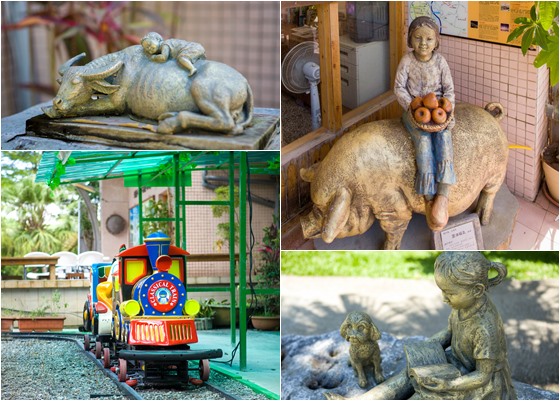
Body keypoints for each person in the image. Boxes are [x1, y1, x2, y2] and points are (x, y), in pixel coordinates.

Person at [325, 252, 517, 400]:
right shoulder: (463, 306)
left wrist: (448, 384)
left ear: (477, 290)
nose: (444, 298)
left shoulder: (485, 327)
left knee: (424, 395)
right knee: (408, 374)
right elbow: (450, 333)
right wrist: (425, 349)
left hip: (476, 384)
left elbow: (483, 375)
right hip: (455, 364)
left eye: (449, 293)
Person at [394, 16, 456, 231]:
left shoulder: (440, 62)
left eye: (429, 39)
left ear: (436, 41)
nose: (423, 43)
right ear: (410, 39)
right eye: (418, 38)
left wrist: (448, 110)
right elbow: (399, 88)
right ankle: (429, 194)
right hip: (414, 112)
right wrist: (410, 104)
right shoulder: (407, 61)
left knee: (444, 137)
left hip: (439, 111)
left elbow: (449, 90)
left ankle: (444, 193)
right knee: (422, 141)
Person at [141, 32, 206, 77]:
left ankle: (192, 68)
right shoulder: (163, 46)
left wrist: (154, 57)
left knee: (182, 58)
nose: (149, 48)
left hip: (192, 47)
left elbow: (164, 57)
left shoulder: (165, 45)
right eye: (147, 48)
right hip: (196, 47)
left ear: (158, 39)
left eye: (149, 44)